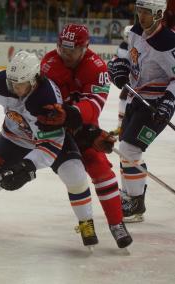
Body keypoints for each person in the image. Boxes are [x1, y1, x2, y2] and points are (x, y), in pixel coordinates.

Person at [0, 51, 120, 248]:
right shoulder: (2, 82)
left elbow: (50, 146)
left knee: (75, 173)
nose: (15, 87)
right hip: (13, 138)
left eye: (21, 83)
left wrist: (28, 168)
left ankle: (86, 222)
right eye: (12, 82)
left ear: (35, 80)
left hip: (50, 141)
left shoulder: (47, 99)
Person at [39, 23, 132, 247]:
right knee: (75, 176)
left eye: (72, 50)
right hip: (53, 130)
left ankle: (116, 223)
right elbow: (42, 103)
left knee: (101, 170)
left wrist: (83, 126)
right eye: (62, 48)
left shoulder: (97, 67)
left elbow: (94, 106)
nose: (66, 54)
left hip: (83, 128)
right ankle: (85, 221)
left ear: (86, 47)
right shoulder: (49, 63)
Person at [107, 0, 175, 222]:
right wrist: (121, 68)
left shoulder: (167, 42)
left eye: (147, 12)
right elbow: (131, 57)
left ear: (158, 14)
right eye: (139, 11)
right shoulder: (136, 30)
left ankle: (136, 204)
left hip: (155, 106)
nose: (141, 17)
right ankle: (130, 195)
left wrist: (168, 102)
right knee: (126, 151)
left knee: (130, 149)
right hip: (137, 99)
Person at [112, 25, 134, 134]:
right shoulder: (124, 46)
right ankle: (122, 126)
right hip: (132, 77)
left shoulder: (129, 45)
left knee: (126, 98)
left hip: (138, 77)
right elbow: (117, 59)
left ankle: (123, 126)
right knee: (124, 97)